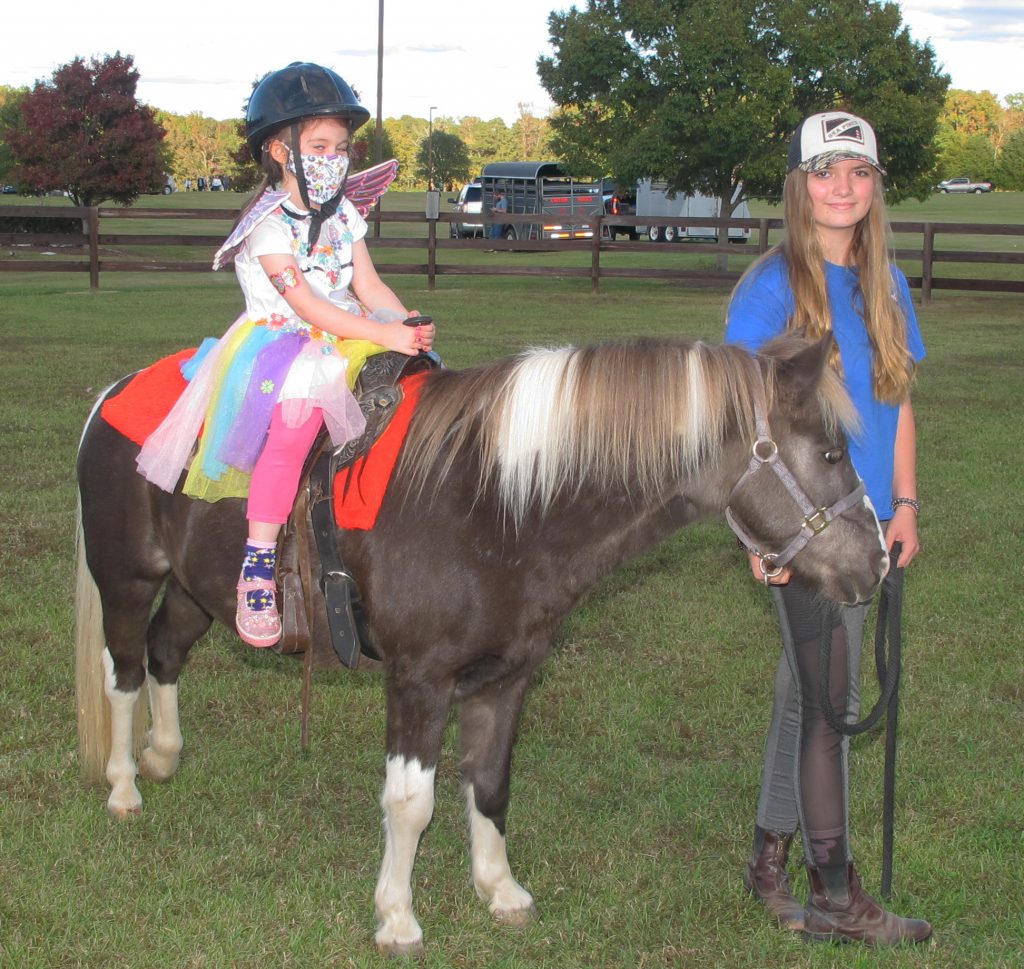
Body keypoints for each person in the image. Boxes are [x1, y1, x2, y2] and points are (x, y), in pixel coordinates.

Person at [136, 62, 434, 648]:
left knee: (418, 395)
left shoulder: (344, 215)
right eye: (319, 147)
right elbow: (308, 306)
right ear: (280, 151)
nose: (334, 159)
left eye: (341, 148)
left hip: (349, 333)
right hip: (286, 345)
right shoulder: (268, 227)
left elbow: (368, 286)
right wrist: (381, 335)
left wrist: (405, 323)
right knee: (293, 433)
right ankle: (258, 561)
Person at [725, 111, 931, 946]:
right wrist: (759, 537)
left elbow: (898, 398)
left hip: (869, 521)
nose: (842, 186)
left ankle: (768, 860)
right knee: (830, 703)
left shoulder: (887, 284)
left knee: (803, 689)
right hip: (809, 529)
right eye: (824, 170)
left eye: (858, 171)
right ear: (799, 185)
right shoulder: (771, 288)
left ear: (875, 184)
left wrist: (905, 503)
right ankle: (836, 892)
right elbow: (738, 419)